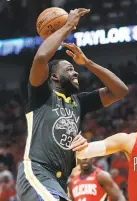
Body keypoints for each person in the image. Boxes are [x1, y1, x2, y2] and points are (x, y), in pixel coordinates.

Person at [16, 8, 128, 201]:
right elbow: (42, 58)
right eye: (70, 69)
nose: (76, 73)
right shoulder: (41, 93)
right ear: (54, 77)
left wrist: (89, 63)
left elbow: (120, 91)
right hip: (37, 171)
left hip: (60, 181)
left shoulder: (79, 101)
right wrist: (67, 26)